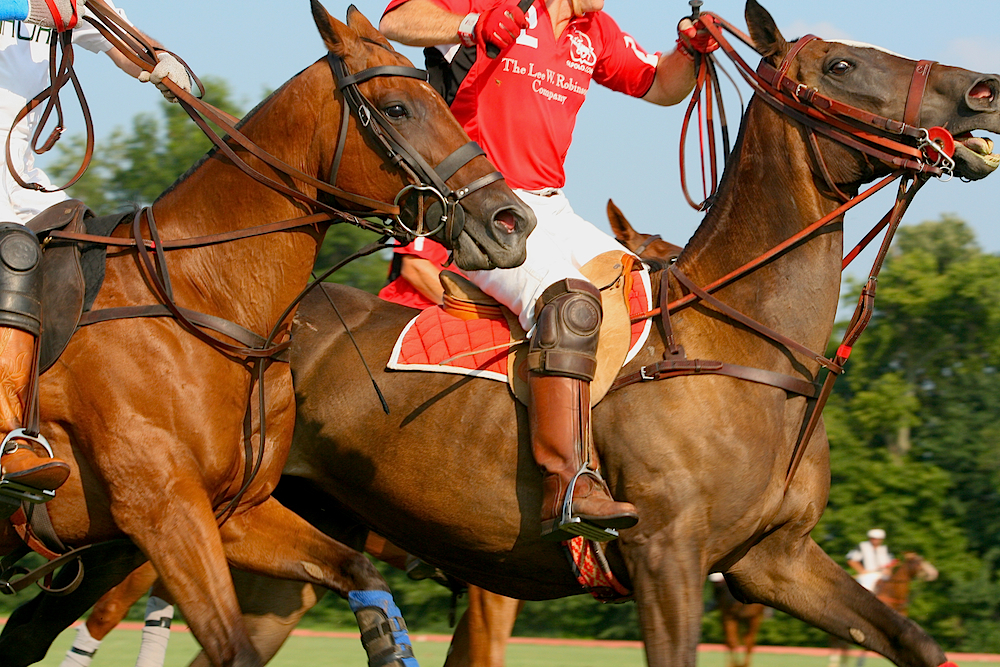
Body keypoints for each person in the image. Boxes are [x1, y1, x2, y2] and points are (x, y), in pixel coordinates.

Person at [379, 0, 710, 541]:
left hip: (550, 206)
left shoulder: (594, 31)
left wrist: (691, 52)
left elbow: (659, 85)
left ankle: (635, 456)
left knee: (643, 292)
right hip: (476, 203)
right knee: (565, 300)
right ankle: (566, 484)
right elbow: (395, 20)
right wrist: (470, 25)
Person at [0, 0, 191, 494]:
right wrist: (20, 8)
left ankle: (64, 418)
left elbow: (116, 37)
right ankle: (6, 441)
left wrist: (157, 61)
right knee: (15, 254)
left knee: (85, 254)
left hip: (20, 170)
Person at [378, 236, 455, 309]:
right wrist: (460, 303)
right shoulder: (425, 224)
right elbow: (415, 267)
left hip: (437, 307)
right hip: (409, 309)